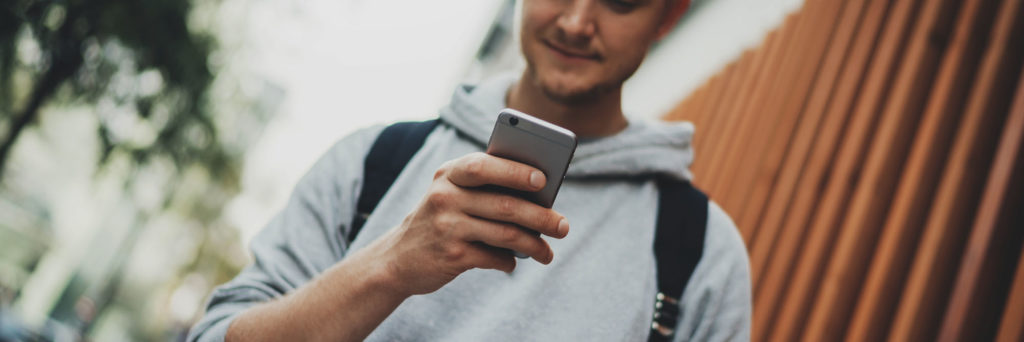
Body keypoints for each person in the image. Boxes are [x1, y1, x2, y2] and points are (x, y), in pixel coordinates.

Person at [188, 0, 751, 340]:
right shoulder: (373, 162)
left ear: (669, 16)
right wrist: (391, 266)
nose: (579, 21)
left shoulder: (700, 251)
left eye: (621, 1)